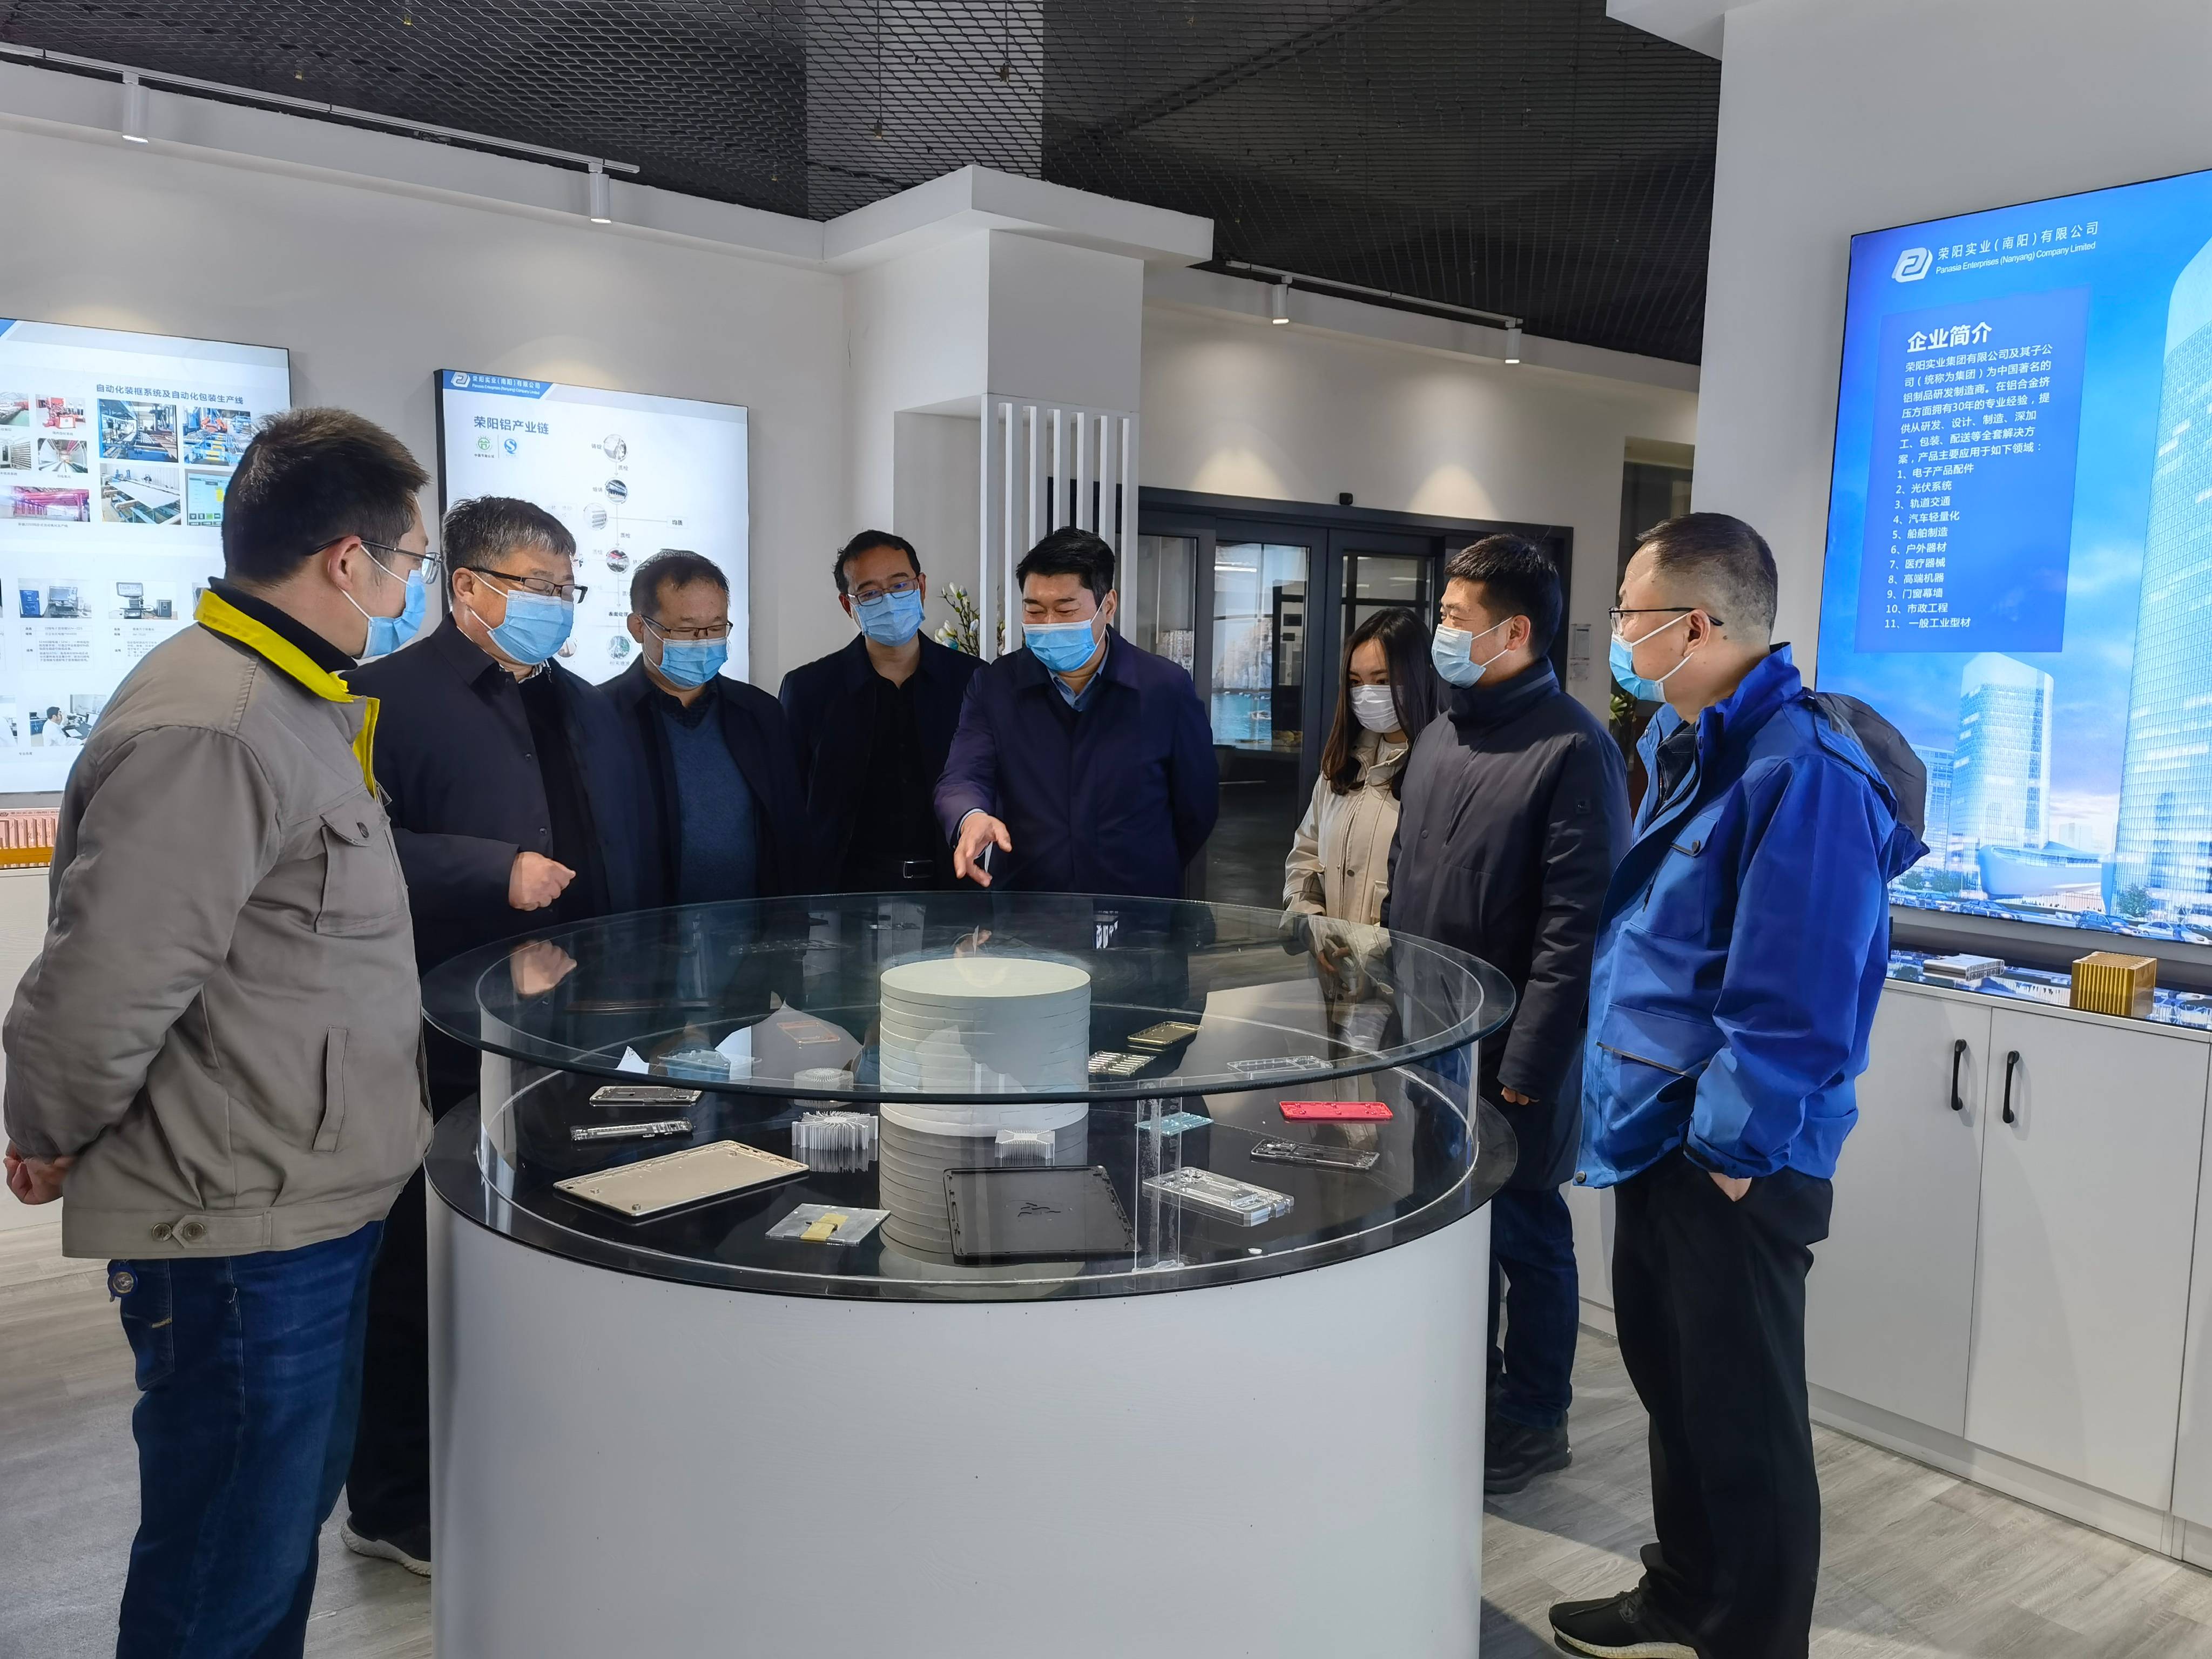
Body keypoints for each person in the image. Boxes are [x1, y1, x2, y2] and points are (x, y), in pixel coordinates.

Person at [1, 408, 433, 1657]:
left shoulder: (289, 701)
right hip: (238, 1219)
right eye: (408, 560)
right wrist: (47, 1127)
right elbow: (108, 978)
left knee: (267, 1539)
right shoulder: (219, 723)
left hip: (301, 1195)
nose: (405, 586)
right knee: (223, 1574)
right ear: (347, 560)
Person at [1548, 514, 1923, 1659]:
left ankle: (1751, 1639)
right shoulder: (1693, 743)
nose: (1617, 634)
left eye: (1628, 612)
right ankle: (1683, 1595)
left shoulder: (1800, 769)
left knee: (1745, 1422)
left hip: (1731, 1158)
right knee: (1679, 1393)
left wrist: (1727, 1155)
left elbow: (1795, 998)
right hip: (1657, 1132)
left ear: (1697, 623)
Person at [342, 494, 651, 1576]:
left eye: (568, 588)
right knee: (418, 1268)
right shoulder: (381, 699)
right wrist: (490, 869)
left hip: (576, 1031)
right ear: (467, 587)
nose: (558, 606)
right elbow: (350, 851)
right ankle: (391, 1502)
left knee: (555, 1252)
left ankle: (531, 1459)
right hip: (437, 1031)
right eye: (538, 587)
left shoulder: (586, 704)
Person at [1381, 535, 1630, 1499]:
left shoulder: (1573, 748)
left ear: (1514, 632)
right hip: (1429, 1045)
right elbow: (1408, 881)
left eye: (1455, 617)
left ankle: (1534, 1415)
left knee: (1527, 1234)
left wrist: (1528, 1064)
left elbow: (1577, 931)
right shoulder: (1443, 736)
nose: (1441, 630)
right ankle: (1466, 1386)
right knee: (1451, 1232)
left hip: (1517, 1058)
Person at [938, 526, 1217, 899]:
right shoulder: (995, 686)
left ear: (1109, 606)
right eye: (1034, 610)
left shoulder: (1164, 688)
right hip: (1029, 907)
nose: (1048, 624)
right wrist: (971, 816)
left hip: (1138, 908)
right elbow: (963, 774)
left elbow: (1197, 808)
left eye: (1065, 609)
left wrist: (1144, 865)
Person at [779, 530, 981, 891]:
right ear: (849, 606)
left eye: (900, 585)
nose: (888, 600)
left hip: (954, 889)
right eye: (870, 593)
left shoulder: (972, 680)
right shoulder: (810, 689)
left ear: (921, 587)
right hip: (843, 896)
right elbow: (789, 804)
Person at [605, 550, 811, 902]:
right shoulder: (600, 716)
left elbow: (790, 827)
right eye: (686, 629)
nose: (703, 642)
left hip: (753, 924)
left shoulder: (760, 712)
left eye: (716, 628)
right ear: (639, 627)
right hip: (645, 926)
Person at [1283, 606, 1439, 927]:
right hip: (1330, 951)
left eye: (1382, 680)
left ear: (1420, 676)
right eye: (1356, 682)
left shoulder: (1442, 766)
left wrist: (1371, 946)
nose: (1366, 694)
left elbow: (1436, 890)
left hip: (1392, 956)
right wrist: (1312, 923)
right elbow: (1307, 850)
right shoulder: (1345, 760)